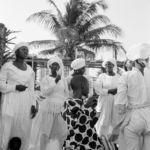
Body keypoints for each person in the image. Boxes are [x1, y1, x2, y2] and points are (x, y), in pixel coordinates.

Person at [111, 43, 150, 150]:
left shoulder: (126, 76)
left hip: (134, 119)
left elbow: (120, 105)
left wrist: (118, 126)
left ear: (134, 60)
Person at [0, 42, 37, 150]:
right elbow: (1, 85)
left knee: (23, 129)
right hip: (10, 101)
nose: (26, 51)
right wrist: (15, 87)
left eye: (27, 50)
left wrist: (33, 104)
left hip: (25, 104)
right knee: (7, 128)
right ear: (16, 52)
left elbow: (31, 89)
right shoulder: (7, 66)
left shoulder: (30, 70)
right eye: (23, 49)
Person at [62, 75, 106, 150]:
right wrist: (87, 106)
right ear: (83, 86)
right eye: (88, 86)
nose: (89, 89)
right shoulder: (70, 102)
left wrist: (95, 113)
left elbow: (89, 123)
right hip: (77, 145)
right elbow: (74, 122)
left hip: (89, 143)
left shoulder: (82, 102)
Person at [38, 55, 68, 150]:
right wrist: (55, 81)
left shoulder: (63, 79)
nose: (55, 66)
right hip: (49, 108)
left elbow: (66, 94)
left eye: (57, 65)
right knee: (46, 131)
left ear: (59, 67)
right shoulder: (45, 79)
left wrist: (65, 106)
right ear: (50, 67)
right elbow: (44, 92)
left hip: (61, 108)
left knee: (62, 132)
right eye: (53, 65)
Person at [94, 58, 120, 137]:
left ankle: (114, 141)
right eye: (106, 64)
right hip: (104, 101)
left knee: (115, 120)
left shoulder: (118, 76)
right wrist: (108, 91)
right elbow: (97, 90)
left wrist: (117, 90)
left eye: (110, 64)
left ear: (113, 65)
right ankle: (101, 139)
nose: (108, 66)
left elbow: (122, 88)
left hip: (115, 101)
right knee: (103, 120)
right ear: (104, 66)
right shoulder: (102, 76)